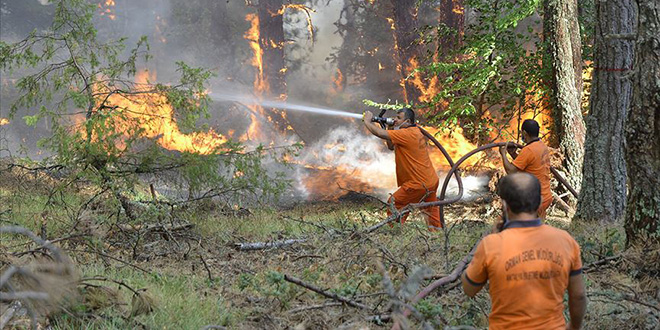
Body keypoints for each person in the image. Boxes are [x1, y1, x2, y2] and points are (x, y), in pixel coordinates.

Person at [461, 173, 586, 330]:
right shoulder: (565, 240)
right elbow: (579, 295)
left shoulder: (491, 244)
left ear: (504, 205)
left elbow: (469, 289)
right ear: (540, 202)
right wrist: (574, 327)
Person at [362, 108, 442, 231]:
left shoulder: (407, 134)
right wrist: (389, 127)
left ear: (408, 121)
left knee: (395, 202)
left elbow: (379, 134)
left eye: (399, 118)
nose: (395, 119)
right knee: (431, 211)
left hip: (418, 183)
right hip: (430, 181)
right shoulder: (412, 132)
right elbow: (390, 146)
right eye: (395, 117)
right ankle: (437, 234)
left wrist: (367, 121)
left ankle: (395, 232)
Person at [499, 119, 553, 219]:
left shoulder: (528, 150)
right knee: (537, 228)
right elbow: (528, 164)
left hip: (534, 199)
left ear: (524, 133)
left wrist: (503, 155)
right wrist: (513, 154)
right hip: (546, 196)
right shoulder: (542, 146)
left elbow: (511, 171)